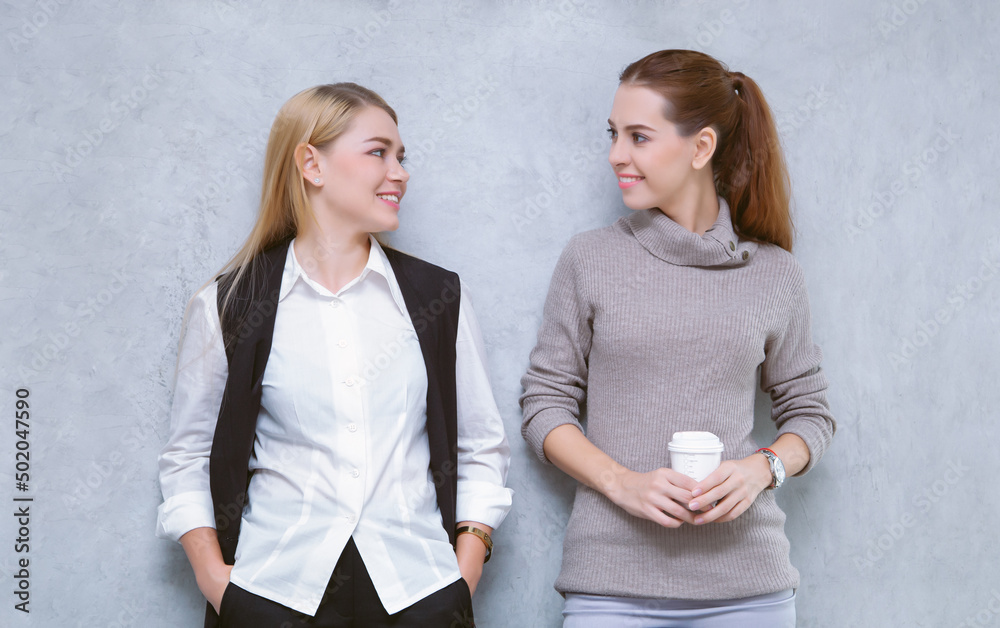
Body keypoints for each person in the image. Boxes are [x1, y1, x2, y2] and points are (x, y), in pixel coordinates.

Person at [157, 83, 513, 628]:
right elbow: (186, 456)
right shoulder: (228, 305)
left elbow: (481, 443)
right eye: (378, 152)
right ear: (311, 164)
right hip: (271, 594)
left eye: (402, 155)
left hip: (420, 592)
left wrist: (463, 574)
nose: (400, 171)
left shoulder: (438, 298)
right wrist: (215, 581)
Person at [520, 50, 836, 627]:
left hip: (751, 592)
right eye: (613, 135)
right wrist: (623, 484)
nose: (617, 155)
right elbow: (544, 405)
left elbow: (810, 414)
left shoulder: (774, 273)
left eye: (639, 136)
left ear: (701, 147)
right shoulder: (589, 259)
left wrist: (761, 468)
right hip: (609, 588)